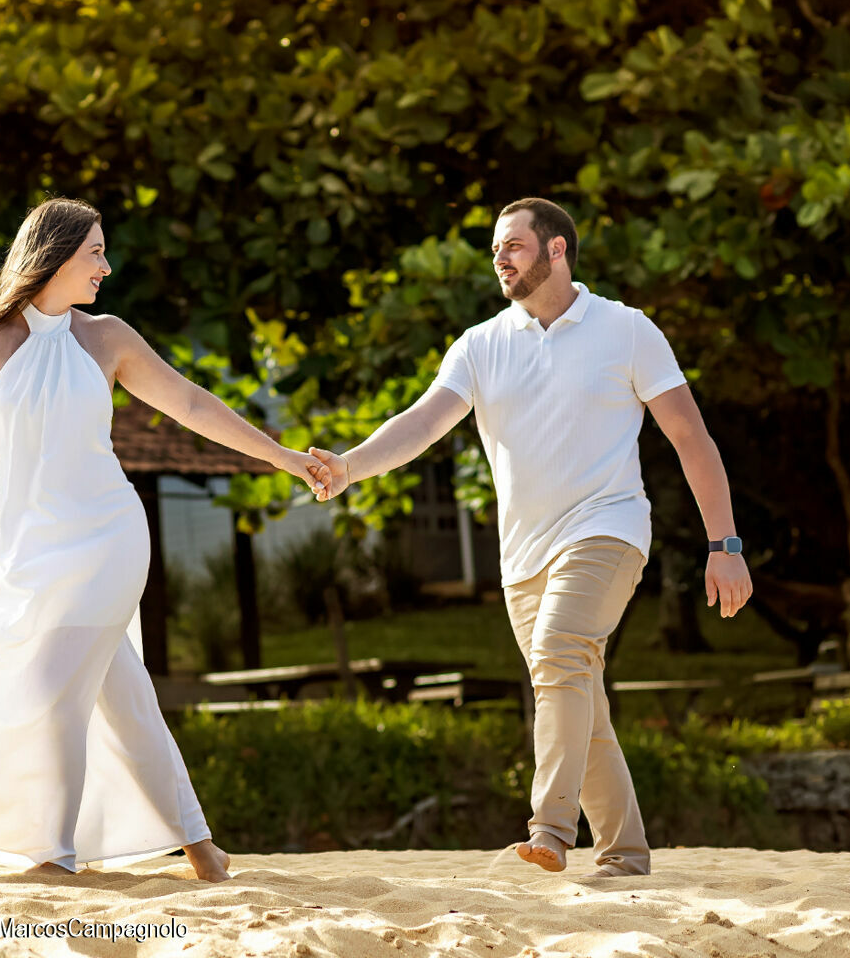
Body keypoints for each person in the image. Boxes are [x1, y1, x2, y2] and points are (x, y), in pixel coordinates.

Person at [0, 197, 325, 881]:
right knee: (122, 696)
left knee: (52, 686)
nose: (106, 265)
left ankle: (51, 853)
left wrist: (284, 456)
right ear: (54, 254)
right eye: (94, 251)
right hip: (25, 549)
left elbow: (190, 404)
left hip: (107, 536)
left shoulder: (108, 338)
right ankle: (202, 849)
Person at [305, 197, 753, 878]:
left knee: (557, 651)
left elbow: (690, 437)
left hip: (607, 528)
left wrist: (724, 546)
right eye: (494, 249)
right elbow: (421, 423)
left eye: (512, 245)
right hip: (522, 556)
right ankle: (625, 854)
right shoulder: (481, 344)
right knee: (575, 693)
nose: (499, 258)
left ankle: (549, 829)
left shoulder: (625, 330)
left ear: (555, 250)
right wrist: (349, 465)